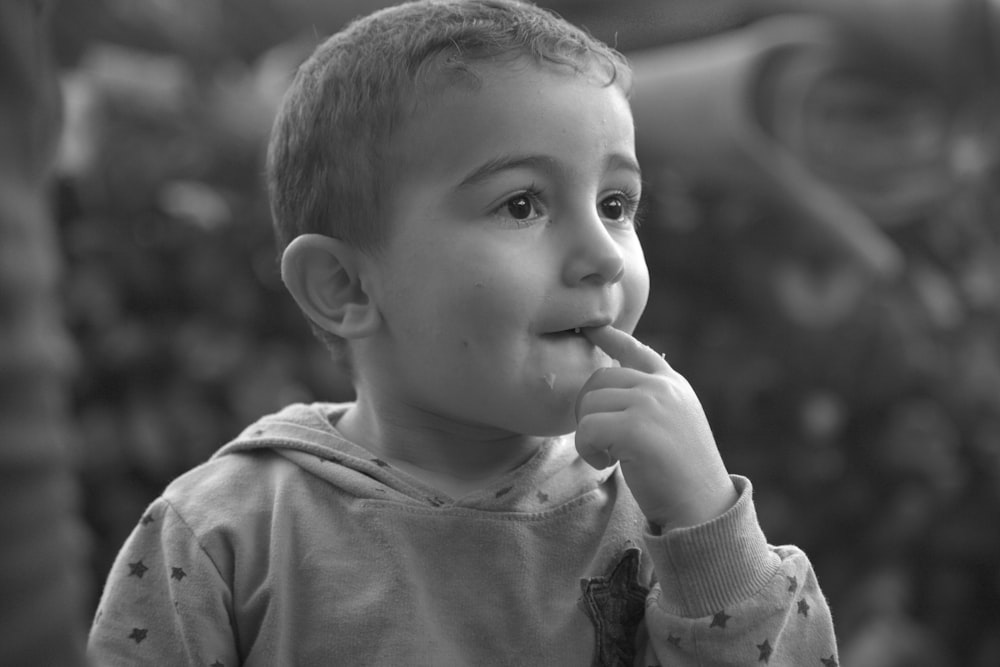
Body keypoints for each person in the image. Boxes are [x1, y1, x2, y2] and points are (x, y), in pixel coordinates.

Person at [87, 0, 839, 664]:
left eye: (616, 203)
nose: (606, 253)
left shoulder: (663, 518)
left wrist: (711, 531)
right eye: (521, 205)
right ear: (346, 286)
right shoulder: (226, 535)